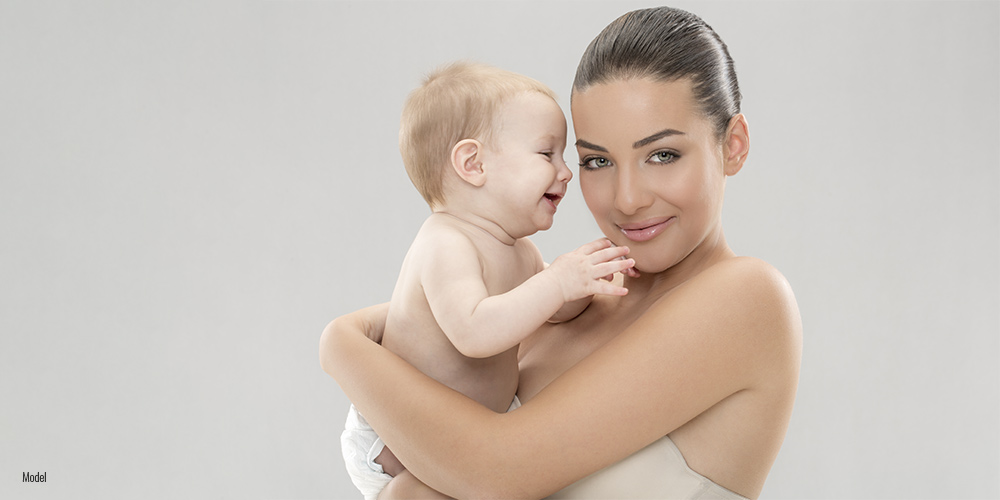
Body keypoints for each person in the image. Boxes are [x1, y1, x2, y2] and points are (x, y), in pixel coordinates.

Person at [322, 6, 802, 499]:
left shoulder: (747, 298)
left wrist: (339, 347)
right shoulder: (566, 292)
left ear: (734, 145)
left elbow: (494, 471)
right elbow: (430, 318)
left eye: (662, 155)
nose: (627, 198)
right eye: (597, 161)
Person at [339, 61, 639, 500]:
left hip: (462, 432)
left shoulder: (522, 252)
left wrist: (585, 281)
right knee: (419, 492)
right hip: (395, 436)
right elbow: (475, 332)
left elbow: (551, 311)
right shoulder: (445, 242)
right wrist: (558, 281)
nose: (566, 171)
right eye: (546, 153)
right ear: (473, 163)